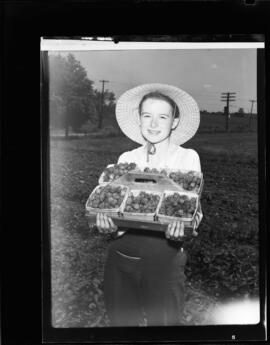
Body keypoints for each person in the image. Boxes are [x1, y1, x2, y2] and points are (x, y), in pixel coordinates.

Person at [93, 83, 203, 326]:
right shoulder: (127, 159)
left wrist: (183, 229)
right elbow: (118, 210)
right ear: (139, 120)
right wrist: (109, 227)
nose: (153, 124)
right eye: (147, 116)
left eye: (162, 116)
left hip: (166, 256)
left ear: (174, 121)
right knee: (122, 327)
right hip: (121, 255)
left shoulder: (187, 157)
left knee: (164, 328)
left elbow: (192, 209)